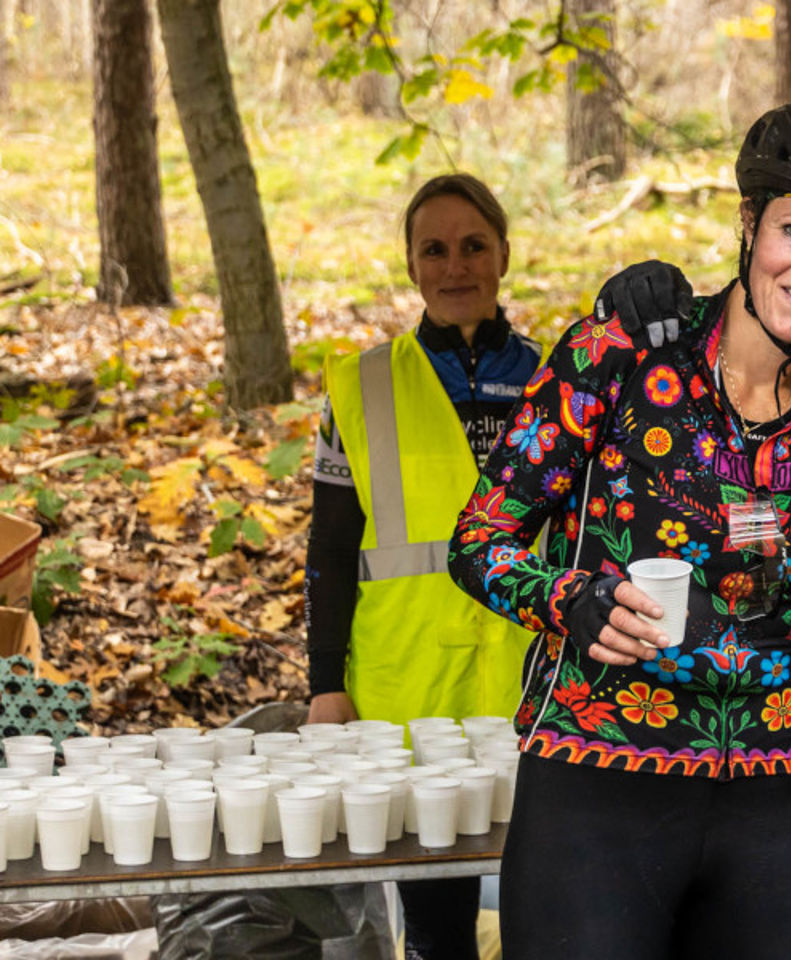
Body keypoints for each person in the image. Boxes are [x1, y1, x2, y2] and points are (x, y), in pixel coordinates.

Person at [445, 98, 791, 960]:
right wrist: (571, 600)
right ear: (749, 223)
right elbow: (479, 542)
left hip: (773, 803)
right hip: (596, 782)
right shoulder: (623, 353)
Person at [307, 173, 542, 960]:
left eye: (473, 245)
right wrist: (324, 684)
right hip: (407, 688)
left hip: (533, 679)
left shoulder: (556, 380)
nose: (455, 266)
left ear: (503, 253)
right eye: (433, 250)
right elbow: (330, 549)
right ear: (410, 265)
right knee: (437, 922)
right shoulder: (361, 386)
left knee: (545, 903)